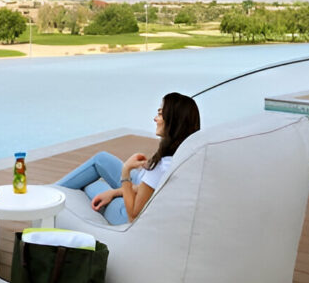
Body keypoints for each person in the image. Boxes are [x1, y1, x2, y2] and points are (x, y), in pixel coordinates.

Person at [56, 92, 201, 225]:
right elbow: (150, 189)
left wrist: (126, 172)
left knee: (90, 184)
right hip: (145, 196)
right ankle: (51, 190)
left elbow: (133, 216)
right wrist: (114, 192)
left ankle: (50, 195)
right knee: (102, 158)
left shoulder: (159, 167)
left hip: (124, 215)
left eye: (160, 114)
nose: (155, 119)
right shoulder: (186, 155)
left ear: (173, 121)